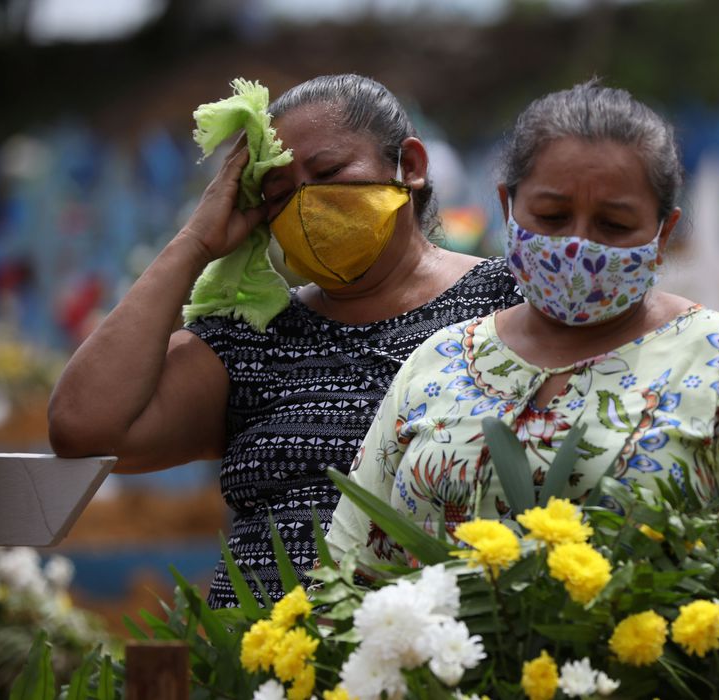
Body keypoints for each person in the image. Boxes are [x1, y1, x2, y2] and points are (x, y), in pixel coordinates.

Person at [326, 80, 719, 567]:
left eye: (614, 224)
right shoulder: (438, 364)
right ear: (508, 208)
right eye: (553, 218)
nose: (578, 244)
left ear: (663, 232)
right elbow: (351, 568)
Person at [47, 74, 523, 607]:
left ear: (409, 166)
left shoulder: (509, 303)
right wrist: (194, 242)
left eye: (329, 172)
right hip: (260, 666)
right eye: (278, 194)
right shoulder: (252, 340)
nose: (306, 203)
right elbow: (83, 427)